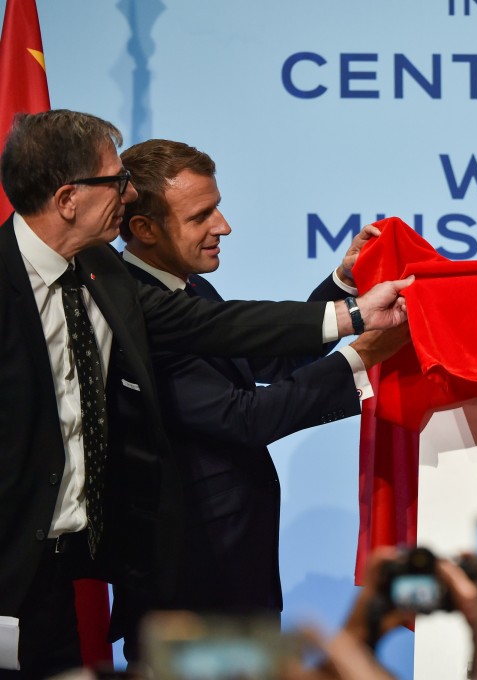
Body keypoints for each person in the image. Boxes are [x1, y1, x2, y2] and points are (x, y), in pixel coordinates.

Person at [0, 109, 410, 677]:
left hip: (78, 577)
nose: (127, 195)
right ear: (69, 197)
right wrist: (358, 354)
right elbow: (243, 416)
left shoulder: (107, 276)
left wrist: (348, 301)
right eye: (117, 182)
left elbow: (241, 339)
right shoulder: (74, 280)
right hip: (167, 575)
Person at [108, 138, 411, 659]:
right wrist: (360, 355)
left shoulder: (184, 284)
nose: (223, 226)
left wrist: (344, 281)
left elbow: (265, 362)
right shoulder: (137, 309)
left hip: (233, 575)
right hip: (192, 588)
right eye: (202, 215)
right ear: (144, 228)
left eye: (218, 207)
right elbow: (242, 417)